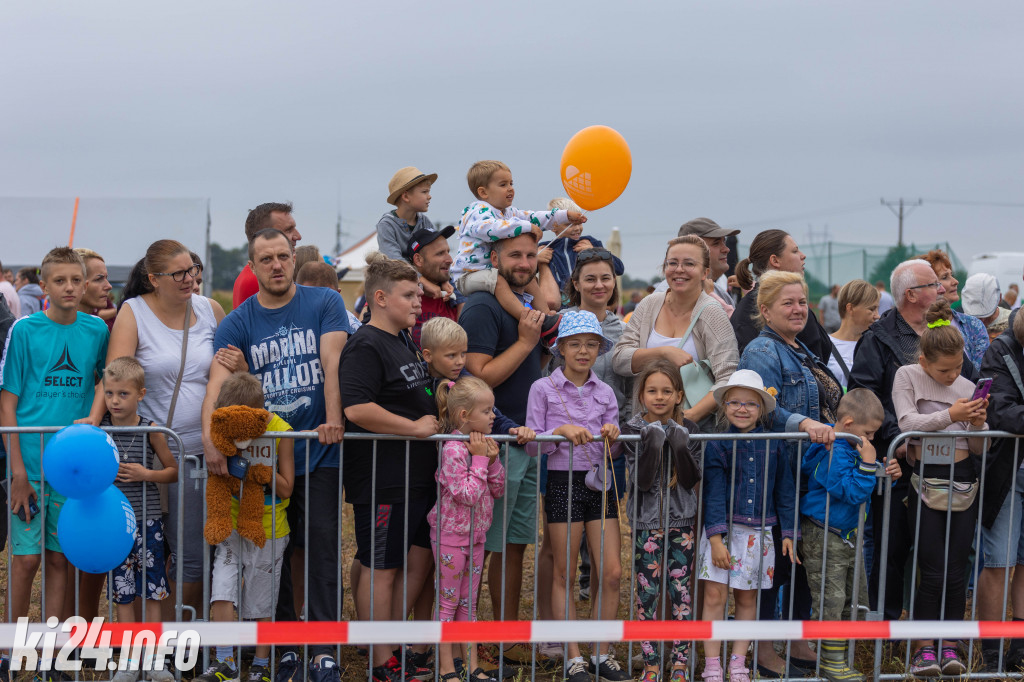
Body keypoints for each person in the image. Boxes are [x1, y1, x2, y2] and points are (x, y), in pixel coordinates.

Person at [205, 227, 349, 682]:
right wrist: (211, 442)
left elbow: (332, 363)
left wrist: (332, 418)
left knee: (322, 548)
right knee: (277, 552)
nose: (276, 265)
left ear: (293, 258)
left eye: (283, 256)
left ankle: (324, 647)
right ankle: (282, 647)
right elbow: (217, 386)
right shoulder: (237, 322)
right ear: (252, 266)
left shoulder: (325, 303)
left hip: (318, 448)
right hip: (268, 455)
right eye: (266, 259)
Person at [848, 259, 977, 624]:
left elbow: (965, 385)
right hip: (896, 464)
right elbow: (865, 396)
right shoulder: (879, 338)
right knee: (892, 547)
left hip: (947, 465)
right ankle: (883, 628)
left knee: (944, 555)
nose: (942, 288)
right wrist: (897, 440)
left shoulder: (947, 334)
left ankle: (938, 633)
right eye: (934, 284)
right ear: (911, 295)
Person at [0, 247, 108, 675]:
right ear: (43, 287)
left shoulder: (97, 329)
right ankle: (10, 650)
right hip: (28, 467)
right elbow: (7, 406)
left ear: (84, 285)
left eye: (75, 281)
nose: (68, 288)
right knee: (26, 560)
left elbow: (105, 380)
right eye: (58, 281)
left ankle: (54, 653)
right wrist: (19, 474)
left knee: (61, 559)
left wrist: (94, 415)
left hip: (73, 468)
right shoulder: (25, 331)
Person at [108, 239, 227, 620]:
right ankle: (145, 641)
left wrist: (237, 362)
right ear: (154, 279)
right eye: (179, 273)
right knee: (143, 553)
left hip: (202, 453)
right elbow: (115, 377)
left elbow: (228, 374)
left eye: (192, 269)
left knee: (190, 553)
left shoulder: (211, 310)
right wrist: (94, 426)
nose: (190, 278)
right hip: (148, 457)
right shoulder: (134, 312)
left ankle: (177, 640)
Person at [340, 253, 437, 682]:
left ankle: (391, 647)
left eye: (418, 293)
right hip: (384, 479)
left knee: (402, 566)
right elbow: (357, 407)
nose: (418, 302)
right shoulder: (365, 344)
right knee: (382, 568)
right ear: (380, 297)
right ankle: (381, 662)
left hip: (414, 478)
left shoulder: (403, 338)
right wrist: (413, 428)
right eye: (409, 295)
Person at [737, 270, 839, 677]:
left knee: (798, 561)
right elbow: (761, 407)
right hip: (775, 472)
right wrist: (802, 424)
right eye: (788, 304)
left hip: (806, 472)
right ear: (765, 310)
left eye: (802, 302)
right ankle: (762, 650)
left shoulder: (800, 348)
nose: (799, 310)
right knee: (774, 563)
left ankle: (796, 638)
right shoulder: (763, 351)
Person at [524, 310, 626, 682]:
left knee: (612, 572)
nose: (583, 351)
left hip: (599, 484)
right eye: (575, 344)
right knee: (565, 573)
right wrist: (558, 432)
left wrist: (612, 438)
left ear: (599, 349)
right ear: (561, 348)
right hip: (562, 482)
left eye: (591, 344)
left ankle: (601, 652)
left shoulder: (606, 392)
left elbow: (613, 453)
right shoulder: (542, 389)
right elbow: (533, 447)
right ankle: (573, 657)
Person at [459, 231, 546, 666]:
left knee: (515, 545)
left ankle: (505, 635)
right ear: (494, 258)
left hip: (525, 440)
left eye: (532, 255)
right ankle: (471, 642)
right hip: (493, 445)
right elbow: (477, 378)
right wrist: (526, 344)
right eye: (515, 254)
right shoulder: (482, 306)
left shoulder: (524, 305)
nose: (525, 262)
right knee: (483, 546)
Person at [893, 299, 988, 677]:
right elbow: (906, 423)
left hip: (964, 479)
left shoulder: (968, 386)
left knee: (956, 570)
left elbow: (981, 447)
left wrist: (979, 424)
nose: (953, 376)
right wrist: (952, 415)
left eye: (958, 367)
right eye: (944, 370)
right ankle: (922, 647)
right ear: (925, 363)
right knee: (931, 568)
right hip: (925, 479)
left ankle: (949, 643)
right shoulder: (906, 376)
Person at [197, 372, 294, 682]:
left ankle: (261, 665)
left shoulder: (281, 431)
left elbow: (287, 487)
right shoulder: (220, 427)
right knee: (222, 590)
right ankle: (226, 662)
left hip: (269, 528)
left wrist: (256, 471)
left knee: (262, 597)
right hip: (231, 526)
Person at [699, 370, 794, 682]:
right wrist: (715, 539)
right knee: (714, 596)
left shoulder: (775, 444)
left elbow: (785, 491)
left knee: (747, 598)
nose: (742, 409)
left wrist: (789, 532)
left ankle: (738, 662)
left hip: (759, 535)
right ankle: (712, 664)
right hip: (723, 533)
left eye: (750, 404)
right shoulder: (717, 445)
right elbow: (712, 493)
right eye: (735, 402)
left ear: (762, 408)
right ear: (724, 405)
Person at [799, 389, 899, 682]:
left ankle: (837, 658)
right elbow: (850, 490)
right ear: (848, 423)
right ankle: (829, 663)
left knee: (848, 597)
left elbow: (862, 477)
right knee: (831, 597)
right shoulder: (835, 450)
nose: (870, 439)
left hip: (845, 533)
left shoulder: (849, 446)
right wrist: (868, 464)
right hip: (825, 533)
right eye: (868, 432)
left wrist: (883, 470)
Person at [622, 361, 701, 682]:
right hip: (646, 524)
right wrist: (653, 442)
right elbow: (640, 481)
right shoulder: (631, 429)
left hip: (682, 521)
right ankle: (652, 662)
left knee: (681, 593)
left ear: (679, 395)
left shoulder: (690, 429)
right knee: (648, 595)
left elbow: (691, 478)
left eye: (667, 391)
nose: (659, 397)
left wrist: (679, 444)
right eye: (652, 391)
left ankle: (680, 662)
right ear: (642, 395)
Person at [451, 160, 587, 346]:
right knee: (498, 281)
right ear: (483, 192)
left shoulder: (507, 213)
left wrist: (563, 216)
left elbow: (534, 217)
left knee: (528, 277)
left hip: (491, 272)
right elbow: (491, 229)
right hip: (469, 276)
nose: (510, 189)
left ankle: (547, 319)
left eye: (511, 183)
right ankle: (527, 317)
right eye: (503, 184)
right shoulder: (477, 211)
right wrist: (526, 227)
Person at [611, 236, 738, 430]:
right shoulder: (649, 304)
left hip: (695, 433)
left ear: (705, 273)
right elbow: (619, 359)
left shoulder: (712, 313)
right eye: (673, 263)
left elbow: (728, 377)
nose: (679, 269)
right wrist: (663, 352)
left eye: (689, 263)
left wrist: (689, 417)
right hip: (646, 429)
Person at [102, 357, 177, 682]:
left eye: (123, 394)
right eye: (109, 393)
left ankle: (155, 660)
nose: (115, 401)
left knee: (154, 592)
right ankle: (130, 662)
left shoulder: (151, 431)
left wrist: (148, 474)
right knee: (124, 595)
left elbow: (173, 470)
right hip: (116, 527)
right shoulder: (100, 431)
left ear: (141, 394)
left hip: (148, 524)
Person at [428, 376, 506, 682]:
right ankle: (446, 668)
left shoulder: (481, 448)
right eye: (487, 411)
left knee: (468, 604)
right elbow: (468, 494)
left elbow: (496, 490)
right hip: (450, 538)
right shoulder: (452, 449)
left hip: (475, 537)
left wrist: (493, 460)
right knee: (447, 603)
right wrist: (479, 459)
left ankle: (471, 666)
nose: (493, 416)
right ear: (464, 416)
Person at [978, 309, 1024, 670]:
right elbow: (1002, 412)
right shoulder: (1001, 350)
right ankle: (991, 649)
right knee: (998, 562)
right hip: (1009, 471)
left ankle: (1019, 647)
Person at [732, 229, 832, 361]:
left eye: (801, 302)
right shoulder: (750, 313)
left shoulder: (746, 308)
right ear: (775, 260)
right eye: (795, 251)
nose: (803, 256)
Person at [919, 248, 989, 372]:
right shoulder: (913, 327)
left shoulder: (973, 326)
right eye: (945, 277)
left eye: (952, 275)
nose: (955, 281)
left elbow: (982, 374)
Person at [538, 197, 624, 297]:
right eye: (570, 225)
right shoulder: (545, 248)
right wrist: (535, 259)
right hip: (559, 309)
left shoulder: (590, 242)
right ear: (553, 226)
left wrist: (594, 251)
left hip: (589, 305)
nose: (577, 228)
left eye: (579, 223)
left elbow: (619, 268)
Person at [233, 202, 302, 308]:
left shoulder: (251, 274)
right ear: (264, 235)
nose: (298, 236)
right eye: (288, 230)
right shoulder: (261, 279)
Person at [404, 225, 462, 348]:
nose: (450, 260)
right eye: (440, 253)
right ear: (418, 260)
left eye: (448, 251)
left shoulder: (455, 295)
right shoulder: (397, 297)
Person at [826, 280, 880, 389]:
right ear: (850, 308)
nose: (877, 316)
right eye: (872, 309)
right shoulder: (824, 346)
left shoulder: (878, 345)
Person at [75, 248, 115, 327]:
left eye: (106, 278)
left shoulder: (99, 329)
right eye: (98, 279)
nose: (109, 286)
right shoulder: (46, 329)